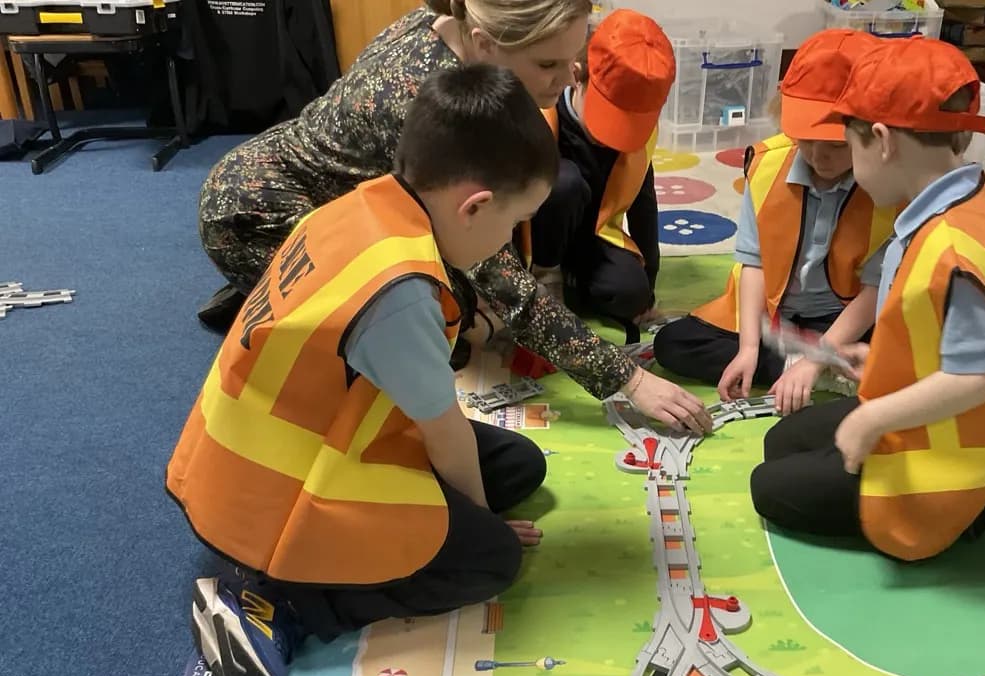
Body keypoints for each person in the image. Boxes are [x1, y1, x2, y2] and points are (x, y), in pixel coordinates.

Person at [173, 64, 557, 676]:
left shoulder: (369, 202)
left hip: (282, 440)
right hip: (272, 492)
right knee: (489, 560)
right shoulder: (401, 290)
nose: (509, 246)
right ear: (475, 206)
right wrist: (475, 529)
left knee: (517, 466)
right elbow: (443, 432)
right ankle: (279, 605)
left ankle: (325, 568)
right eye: (514, 224)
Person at [197, 0, 711, 434]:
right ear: (486, 45)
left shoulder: (453, 22)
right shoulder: (432, 101)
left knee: (457, 304)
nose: (568, 78)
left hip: (309, 184)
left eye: (574, 60)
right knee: (426, 334)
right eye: (549, 65)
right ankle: (268, 295)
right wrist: (629, 379)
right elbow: (505, 282)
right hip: (259, 213)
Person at [750, 37, 985, 562]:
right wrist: (879, 359)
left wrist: (872, 419)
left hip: (957, 452)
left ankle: (972, 504)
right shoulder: (974, 199)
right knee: (783, 442)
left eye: (850, 144)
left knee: (768, 486)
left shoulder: (953, 250)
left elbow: (980, 376)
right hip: (954, 418)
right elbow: (948, 333)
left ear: (882, 141)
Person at [653, 29, 895, 415]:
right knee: (673, 342)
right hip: (774, 318)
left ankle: (819, 366)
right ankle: (805, 368)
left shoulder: (888, 184)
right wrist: (749, 347)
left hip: (847, 319)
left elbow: (874, 291)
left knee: (911, 348)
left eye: (836, 145)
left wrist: (820, 354)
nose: (819, 156)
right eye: (804, 138)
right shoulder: (767, 165)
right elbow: (754, 262)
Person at [528, 9, 674, 337]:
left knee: (630, 291)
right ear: (575, 75)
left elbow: (643, 203)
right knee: (564, 183)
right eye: (607, 115)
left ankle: (576, 281)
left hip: (594, 235)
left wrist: (647, 283)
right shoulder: (540, 115)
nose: (613, 137)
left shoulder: (644, 134)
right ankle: (549, 275)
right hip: (537, 237)